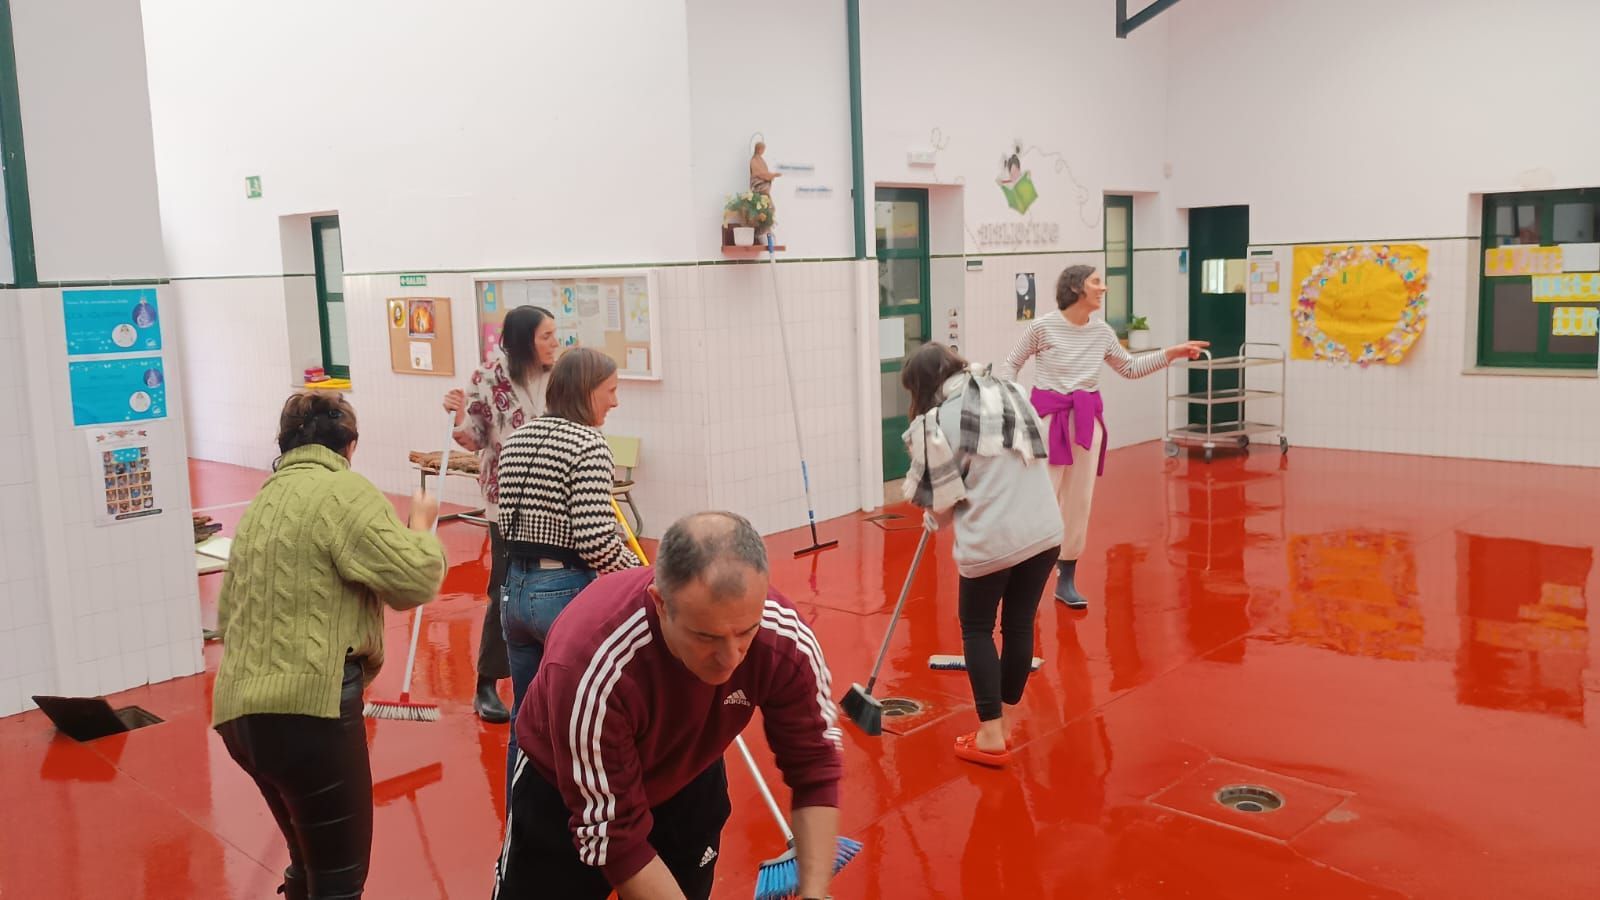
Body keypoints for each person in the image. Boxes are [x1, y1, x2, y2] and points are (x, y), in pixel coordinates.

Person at [493, 511, 843, 900]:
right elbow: (616, 840)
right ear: (660, 604)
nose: (730, 659)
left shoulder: (786, 642)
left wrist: (814, 891)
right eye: (706, 636)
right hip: (564, 782)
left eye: (746, 631)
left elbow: (815, 768)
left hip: (687, 772)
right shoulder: (589, 663)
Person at [212, 391, 447, 900]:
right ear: (351, 445)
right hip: (310, 717)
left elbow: (226, 615)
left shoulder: (262, 502)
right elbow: (415, 581)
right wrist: (423, 526)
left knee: (307, 868)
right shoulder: (346, 492)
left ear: (285, 443)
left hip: (239, 716)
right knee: (339, 885)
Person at [997, 265, 1207, 609]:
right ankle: (1025, 582)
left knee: (1079, 503)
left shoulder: (1102, 332)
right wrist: (1018, 407)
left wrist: (1171, 353)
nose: (1103, 288)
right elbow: (1010, 364)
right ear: (1076, 287)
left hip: (1085, 425)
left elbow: (1130, 368)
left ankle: (1066, 580)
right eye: (1096, 282)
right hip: (1049, 423)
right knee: (1041, 503)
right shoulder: (1042, 327)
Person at [901, 343, 1062, 767]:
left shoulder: (935, 423)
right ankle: (1005, 723)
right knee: (1019, 622)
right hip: (1043, 532)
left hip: (992, 542)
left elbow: (941, 505)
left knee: (976, 628)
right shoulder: (1011, 391)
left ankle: (990, 734)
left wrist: (933, 516)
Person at [494, 347, 640, 793]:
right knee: (577, 718)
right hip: (560, 593)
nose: (615, 402)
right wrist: (640, 575)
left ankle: (519, 818)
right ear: (587, 391)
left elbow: (504, 519)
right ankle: (573, 821)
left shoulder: (520, 437)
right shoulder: (589, 445)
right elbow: (596, 541)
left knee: (525, 716)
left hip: (514, 592)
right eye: (611, 391)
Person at [442, 304, 559, 723]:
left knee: (556, 583)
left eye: (555, 334)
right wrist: (457, 412)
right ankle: (487, 684)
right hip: (507, 500)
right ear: (525, 339)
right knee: (505, 588)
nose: (554, 343)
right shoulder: (487, 378)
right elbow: (473, 439)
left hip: (554, 496)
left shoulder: (560, 374)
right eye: (546, 336)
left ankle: (550, 677)